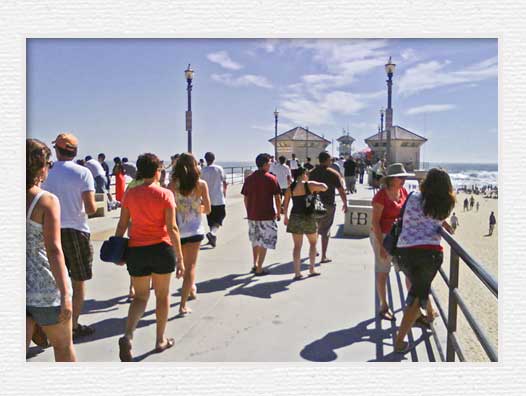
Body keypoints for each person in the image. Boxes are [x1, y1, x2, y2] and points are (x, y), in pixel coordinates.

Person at [115, 153, 185, 361]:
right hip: (161, 249)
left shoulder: (130, 194)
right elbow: (172, 228)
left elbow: (122, 224)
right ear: (157, 172)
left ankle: (128, 335)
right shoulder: (165, 194)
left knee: (140, 297)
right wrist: (180, 258)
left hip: (137, 250)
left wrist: (117, 248)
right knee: (162, 297)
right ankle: (160, 340)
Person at [42, 133, 97, 339]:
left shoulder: (47, 172)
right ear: (75, 152)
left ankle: (50, 327)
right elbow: (91, 207)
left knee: (54, 280)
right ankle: (72, 326)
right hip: (77, 230)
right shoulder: (83, 173)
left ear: (56, 150)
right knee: (78, 281)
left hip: (50, 229)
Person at [393, 168, 455, 353]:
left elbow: (412, 217)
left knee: (419, 286)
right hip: (429, 254)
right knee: (417, 296)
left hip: (404, 251)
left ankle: (429, 313)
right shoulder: (446, 203)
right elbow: (435, 217)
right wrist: (443, 223)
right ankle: (399, 341)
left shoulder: (412, 197)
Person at [26, 138, 76, 362]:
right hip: (44, 290)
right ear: (41, 167)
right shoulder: (46, 201)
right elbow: (54, 249)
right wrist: (66, 293)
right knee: (63, 348)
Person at [168, 153, 211, 315]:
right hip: (195, 230)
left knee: (182, 265)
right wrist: (195, 209)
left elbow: (168, 209)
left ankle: (191, 289)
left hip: (178, 230)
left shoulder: (172, 186)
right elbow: (207, 209)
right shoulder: (201, 185)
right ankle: (182, 305)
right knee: (191, 267)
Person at [370, 163, 413, 321]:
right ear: (390, 179)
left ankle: (412, 306)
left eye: (404, 177)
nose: (403, 179)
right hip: (381, 236)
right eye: (400, 177)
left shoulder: (403, 191)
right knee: (383, 271)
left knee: (407, 270)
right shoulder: (381, 196)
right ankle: (384, 306)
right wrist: (381, 246)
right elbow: (375, 222)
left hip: (397, 237)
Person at [283, 167, 328, 279]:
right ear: (303, 174)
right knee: (313, 243)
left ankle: (297, 273)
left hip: (295, 217)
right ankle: (312, 269)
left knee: (297, 246)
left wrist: (286, 217)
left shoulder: (290, 187)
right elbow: (324, 187)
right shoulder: (310, 184)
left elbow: (286, 203)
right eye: (306, 174)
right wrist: (315, 187)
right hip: (309, 217)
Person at [241, 153, 282, 276]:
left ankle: (255, 264)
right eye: (269, 162)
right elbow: (277, 197)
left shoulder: (249, 179)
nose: (271, 164)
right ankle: (259, 267)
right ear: (264, 164)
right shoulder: (271, 179)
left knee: (255, 240)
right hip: (266, 214)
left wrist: (249, 211)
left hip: (253, 214)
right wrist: (279, 212)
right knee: (265, 240)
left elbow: (245, 198)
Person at [309, 151, 348, 263]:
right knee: (325, 230)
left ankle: (314, 249)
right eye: (330, 159)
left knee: (315, 228)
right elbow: (341, 190)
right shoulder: (333, 173)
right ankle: (323, 256)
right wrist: (345, 203)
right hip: (328, 204)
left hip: (314, 203)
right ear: (326, 160)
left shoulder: (312, 173)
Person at [200, 152, 227, 247]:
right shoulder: (219, 168)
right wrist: (225, 193)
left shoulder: (203, 170)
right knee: (220, 217)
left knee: (211, 219)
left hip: (207, 198)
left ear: (205, 159)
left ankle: (212, 238)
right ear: (214, 158)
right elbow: (224, 182)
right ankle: (212, 234)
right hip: (218, 198)